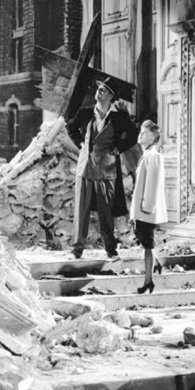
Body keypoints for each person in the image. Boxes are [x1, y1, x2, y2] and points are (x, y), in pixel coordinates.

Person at [66, 77, 138, 260]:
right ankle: (76, 250)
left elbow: (133, 135)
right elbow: (70, 128)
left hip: (107, 169)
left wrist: (118, 148)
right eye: (99, 88)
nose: (99, 91)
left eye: (104, 90)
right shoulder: (85, 113)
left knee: (106, 212)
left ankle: (111, 250)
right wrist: (81, 143)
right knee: (81, 210)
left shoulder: (119, 117)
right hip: (85, 167)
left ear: (111, 96)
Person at [130, 120, 167, 294]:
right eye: (141, 131)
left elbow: (152, 184)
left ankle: (148, 281)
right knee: (144, 242)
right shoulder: (146, 155)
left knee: (148, 246)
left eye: (145, 133)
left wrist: (147, 207)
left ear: (153, 138)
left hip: (146, 209)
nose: (141, 135)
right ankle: (156, 264)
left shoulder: (153, 156)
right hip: (141, 209)